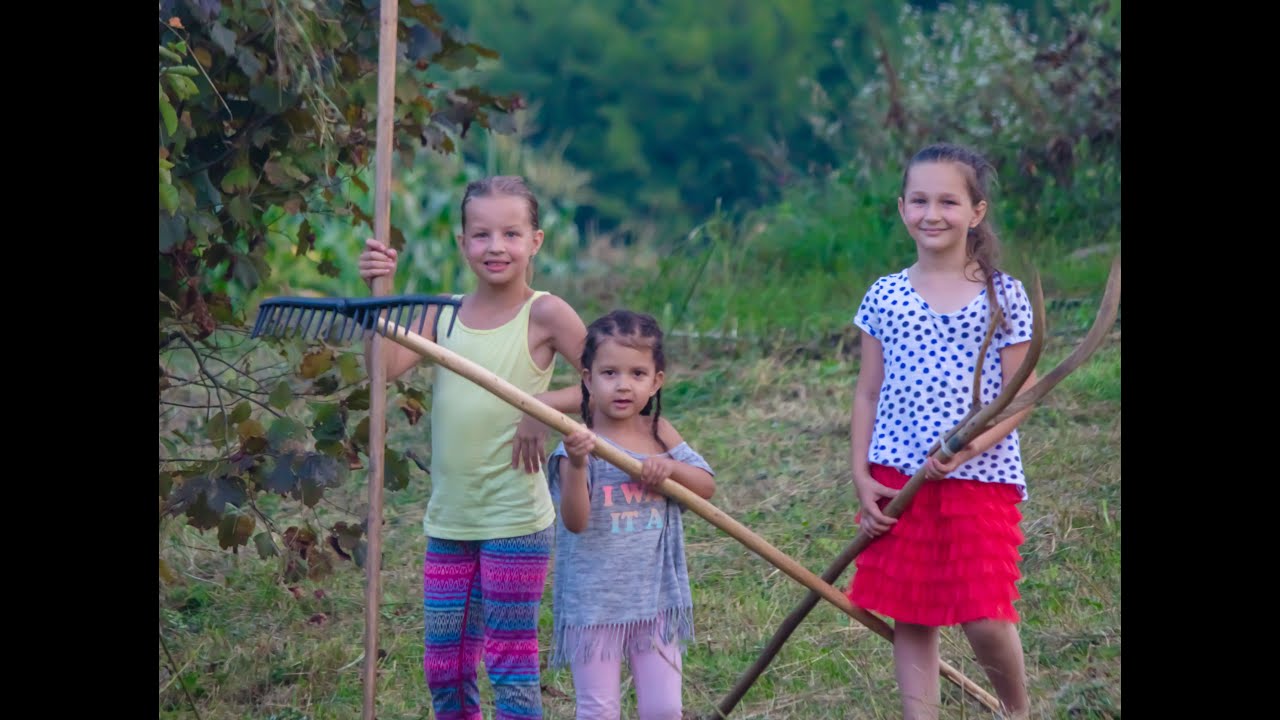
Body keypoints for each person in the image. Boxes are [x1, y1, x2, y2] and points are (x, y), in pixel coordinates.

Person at [358, 175, 587, 720]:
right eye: (481, 235)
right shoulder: (442, 314)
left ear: (536, 241)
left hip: (515, 522)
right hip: (450, 523)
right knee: (446, 667)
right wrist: (381, 293)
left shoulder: (546, 313)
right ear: (462, 243)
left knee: (509, 664)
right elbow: (380, 371)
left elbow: (605, 383)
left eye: (511, 233)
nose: (495, 247)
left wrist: (541, 406)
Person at [847, 143, 1037, 720]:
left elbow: (1021, 394)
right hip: (898, 474)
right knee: (913, 610)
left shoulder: (1003, 296)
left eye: (949, 201)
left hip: (979, 474)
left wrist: (972, 445)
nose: (933, 214)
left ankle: (1017, 711)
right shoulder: (885, 295)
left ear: (976, 212)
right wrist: (861, 475)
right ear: (902, 207)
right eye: (920, 200)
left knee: (984, 612)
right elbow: (867, 391)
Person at [546, 310, 716, 720]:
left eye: (638, 374)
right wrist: (578, 466)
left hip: (655, 598)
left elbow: (706, 486)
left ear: (656, 380)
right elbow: (575, 521)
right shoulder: (577, 444)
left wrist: (672, 469)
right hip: (594, 604)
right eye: (609, 373)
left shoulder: (658, 432)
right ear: (587, 378)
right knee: (599, 710)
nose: (623, 385)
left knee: (664, 708)